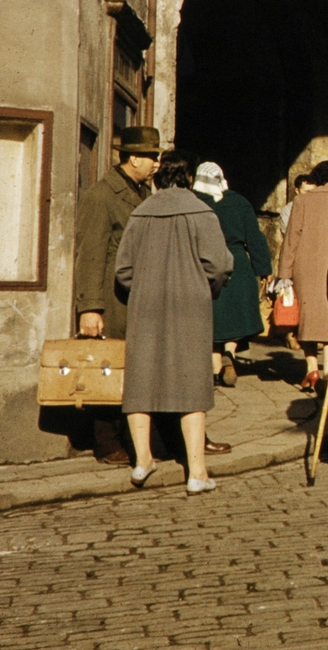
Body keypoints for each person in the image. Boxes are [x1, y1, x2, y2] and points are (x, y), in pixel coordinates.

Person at [115, 150, 233, 494]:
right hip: (191, 307)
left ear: (156, 177)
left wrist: (144, 288)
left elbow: (123, 270)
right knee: (193, 386)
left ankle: (142, 461)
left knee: (140, 382)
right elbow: (221, 265)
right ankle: (197, 472)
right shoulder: (202, 212)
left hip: (146, 306)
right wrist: (204, 286)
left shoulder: (140, 213)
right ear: (189, 179)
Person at [72, 125, 161, 465]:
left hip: (135, 300)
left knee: (129, 370)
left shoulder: (140, 193)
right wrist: (90, 308)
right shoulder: (102, 196)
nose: (155, 163)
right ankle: (105, 442)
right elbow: (91, 254)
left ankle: (128, 436)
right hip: (111, 300)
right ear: (132, 158)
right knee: (107, 369)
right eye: (151, 157)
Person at [279, 160, 328, 393]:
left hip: (306, 269)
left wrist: (284, 274)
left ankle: (311, 367)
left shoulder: (301, 202)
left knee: (307, 319)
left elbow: (291, 239)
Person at [193, 162, 271, 388]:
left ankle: (216, 367)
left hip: (205, 263)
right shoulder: (239, 201)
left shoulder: (194, 202)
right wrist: (263, 269)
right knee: (233, 320)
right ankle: (230, 353)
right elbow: (255, 238)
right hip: (237, 264)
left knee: (214, 320)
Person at [279, 173, 312, 237]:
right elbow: (288, 233)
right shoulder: (288, 210)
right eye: (306, 192)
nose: (310, 195)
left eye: (312, 192)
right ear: (297, 190)